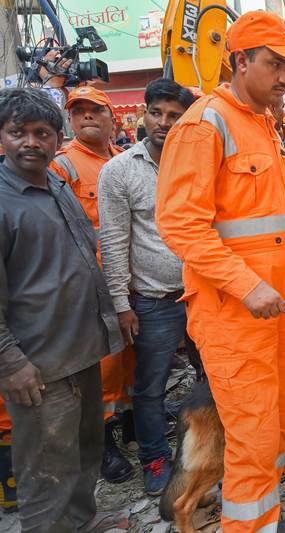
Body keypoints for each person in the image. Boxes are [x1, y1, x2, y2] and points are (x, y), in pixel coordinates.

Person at [155, 12, 285, 533]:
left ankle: (264, 517)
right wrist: (248, 284)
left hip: (272, 316)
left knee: (274, 429)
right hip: (233, 320)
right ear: (240, 60)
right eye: (274, 64)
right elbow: (181, 226)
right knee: (252, 438)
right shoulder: (205, 125)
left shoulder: (265, 126)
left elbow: (282, 226)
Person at [0, 87, 125, 532]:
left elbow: (82, 259)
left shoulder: (55, 185)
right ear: (2, 138)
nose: (30, 142)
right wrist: (11, 364)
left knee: (84, 451)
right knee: (45, 472)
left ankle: (81, 522)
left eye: (41, 133)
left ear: (57, 138)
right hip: (38, 366)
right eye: (18, 132)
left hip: (82, 352)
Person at [97, 79, 196, 495]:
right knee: (150, 388)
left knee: (214, 373)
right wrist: (122, 304)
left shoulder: (198, 163)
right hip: (154, 301)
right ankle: (156, 458)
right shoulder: (119, 171)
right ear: (144, 114)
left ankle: (209, 444)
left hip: (202, 294)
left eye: (174, 115)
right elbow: (115, 241)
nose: (164, 122)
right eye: (156, 112)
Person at [49, 85, 137, 485]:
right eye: (79, 111)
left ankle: (132, 420)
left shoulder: (124, 160)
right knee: (103, 365)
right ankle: (103, 444)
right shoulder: (63, 167)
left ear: (112, 118)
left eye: (95, 110)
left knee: (132, 357)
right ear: (69, 120)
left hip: (131, 278)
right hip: (91, 285)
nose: (86, 116)